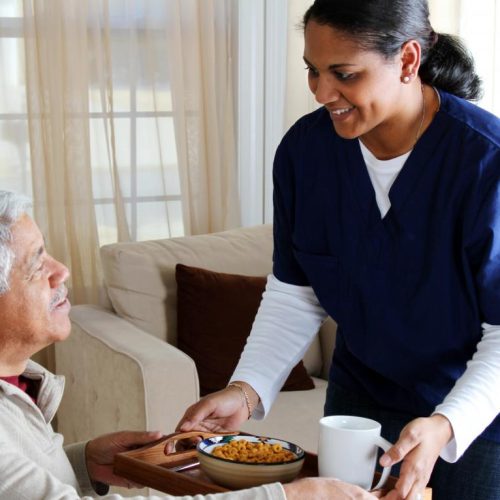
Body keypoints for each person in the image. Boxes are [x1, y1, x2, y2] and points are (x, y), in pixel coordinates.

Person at [177, 1, 500, 500]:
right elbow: (296, 292)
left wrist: (443, 425)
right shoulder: (305, 154)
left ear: (409, 60)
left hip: (474, 413)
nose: (323, 93)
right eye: (312, 71)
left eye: (343, 74)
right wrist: (248, 389)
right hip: (361, 399)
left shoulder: (486, 164)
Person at [0, 189, 387, 500]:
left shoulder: (19, 387)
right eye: (37, 265)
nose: (61, 271)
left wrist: (84, 464)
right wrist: (288, 496)